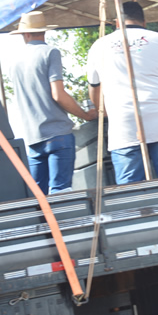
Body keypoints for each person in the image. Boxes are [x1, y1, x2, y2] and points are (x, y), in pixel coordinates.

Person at [87, 1, 158, 184]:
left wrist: (109, 114)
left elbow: (95, 90)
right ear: (144, 22)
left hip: (123, 124)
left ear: (117, 22)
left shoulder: (99, 46)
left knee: (131, 189)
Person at [9, 11, 98, 194]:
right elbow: (58, 94)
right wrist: (85, 115)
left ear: (25, 34)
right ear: (44, 31)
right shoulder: (50, 52)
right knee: (60, 192)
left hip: (33, 137)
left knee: (38, 197)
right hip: (58, 133)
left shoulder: (14, 62)